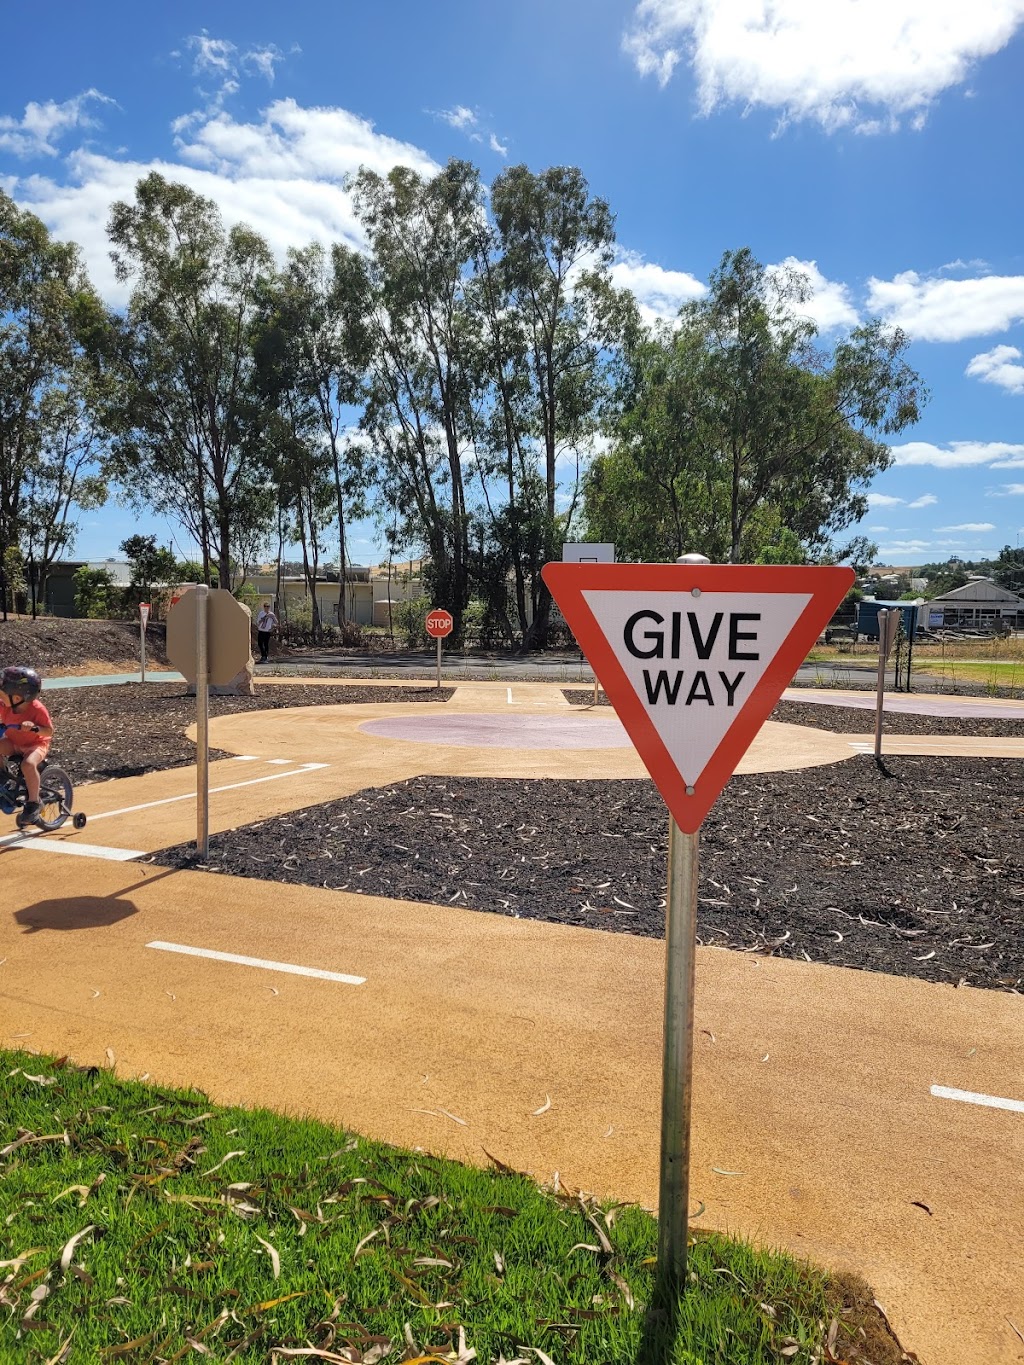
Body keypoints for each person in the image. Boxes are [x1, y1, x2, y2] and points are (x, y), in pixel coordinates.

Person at [0, 665, 53, 828]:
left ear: (16, 698)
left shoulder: (37, 709)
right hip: (15, 742)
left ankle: (33, 803)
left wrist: (34, 728)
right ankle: (2, 775)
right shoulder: (4, 705)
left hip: (35, 744)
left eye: (2, 694)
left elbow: (49, 731)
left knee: (28, 764)